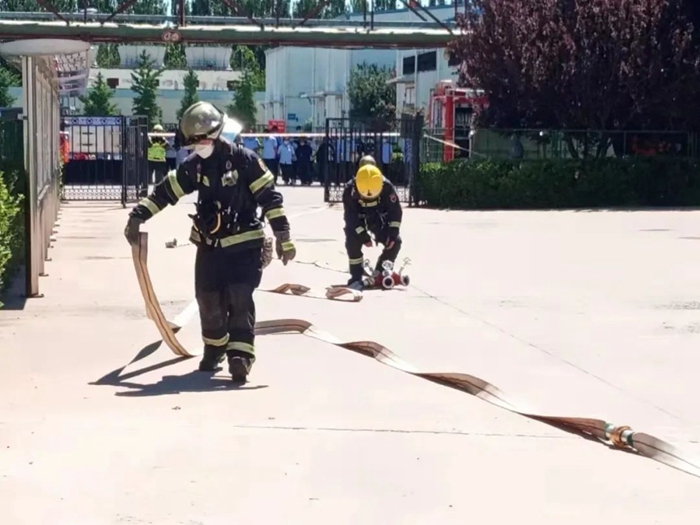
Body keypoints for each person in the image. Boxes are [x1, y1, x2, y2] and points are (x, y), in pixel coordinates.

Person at [124, 102, 297, 382]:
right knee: (208, 299)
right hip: (210, 247)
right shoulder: (195, 166)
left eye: (201, 141)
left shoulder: (246, 161)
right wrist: (138, 215)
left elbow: (270, 199)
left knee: (240, 297)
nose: (198, 147)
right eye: (193, 144)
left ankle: (240, 357)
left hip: (245, 246)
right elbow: (167, 191)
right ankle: (215, 349)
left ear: (216, 134)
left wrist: (283, 236)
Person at [342, 163, 403, 289]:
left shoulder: (387, 187)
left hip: (379, 218)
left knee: (395, 242)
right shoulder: (349, 191)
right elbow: (351, 219)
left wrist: (393, 233)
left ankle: (381, 272)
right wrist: (363, 236)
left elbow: (395, 212)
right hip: (359, 219)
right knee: (352, 241)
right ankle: (356, 276)